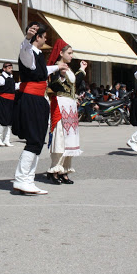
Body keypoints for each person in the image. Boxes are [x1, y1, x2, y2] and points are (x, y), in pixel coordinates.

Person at [11, 22, 66, 195]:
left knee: (36, 141)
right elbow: (24, 50)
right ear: (38, 37)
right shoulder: (28, 51)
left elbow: (40, 71)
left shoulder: (37, 55)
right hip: (31, 99)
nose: (45, 40)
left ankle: (27, 179)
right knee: (34, 140)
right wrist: (27, 37)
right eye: (44, 37)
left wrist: (58, 66)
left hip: (36, 99)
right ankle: (22, 180)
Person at [46, 39, 87, 184]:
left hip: (70, 106)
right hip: (60, 105)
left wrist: (82, 69)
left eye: (72, 53)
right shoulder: (56, 67)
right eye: (69, 53)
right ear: (61, 53)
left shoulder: (68, 68)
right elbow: (53, 85)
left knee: (69, 139)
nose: (71, 55)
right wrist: (60, 74)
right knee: (60, 138)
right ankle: (54, 170)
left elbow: (74, 81)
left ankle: (64, 170)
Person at [0, 62, 19, 146]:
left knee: (9, 120)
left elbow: (14, 87)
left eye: (11, 67)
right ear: (4, 68)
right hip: (3, 100)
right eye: (8, 67)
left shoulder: (11, 78)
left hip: (10, 101)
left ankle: (6, 140)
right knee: (4, 119)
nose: (10, 68)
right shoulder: (1, 78)